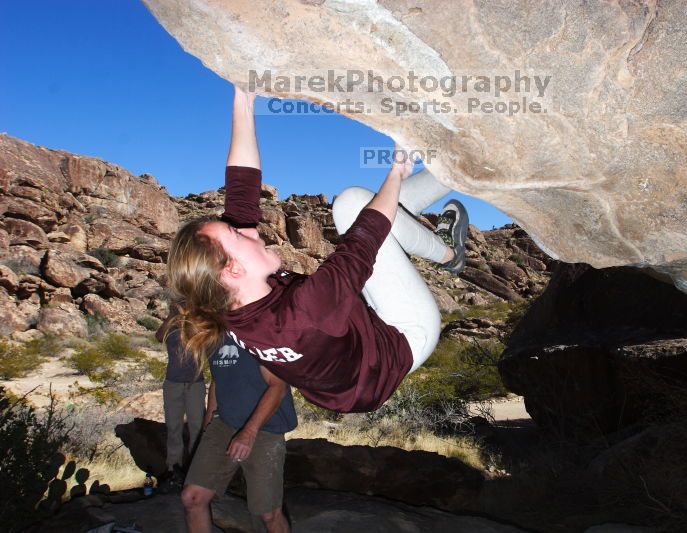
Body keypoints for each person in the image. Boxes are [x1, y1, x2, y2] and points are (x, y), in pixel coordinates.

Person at [166, 84, 469, 413]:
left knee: (380, 209)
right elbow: (363, 241)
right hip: (400, 339)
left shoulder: (224, 300)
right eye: (238, 236)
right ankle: (449, 253)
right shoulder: (302, 314)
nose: (249, 231)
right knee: (353, 205)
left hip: (351, 346)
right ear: (233, 269)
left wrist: (243, 97)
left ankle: (461, 168)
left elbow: (241, 188)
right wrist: (398, 168)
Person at [181, 334, 296, 533]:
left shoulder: (257, 332)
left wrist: (248, 432)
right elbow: (219, 380)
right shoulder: (213, 335)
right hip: (224, 423)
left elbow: (279, 387)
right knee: (193, 497)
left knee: (268, 513)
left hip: (265, 427)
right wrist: (208, 424)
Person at [155, 304, 205, 481]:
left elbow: (200, 338)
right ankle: (173, 465)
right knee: (173, 426)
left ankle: (195, 467)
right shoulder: (171, 325)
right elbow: (158, 337)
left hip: (195, 383)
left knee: (197, 426)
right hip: (173, 382)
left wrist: (189, 317)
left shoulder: (199, 323)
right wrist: (171, 317)